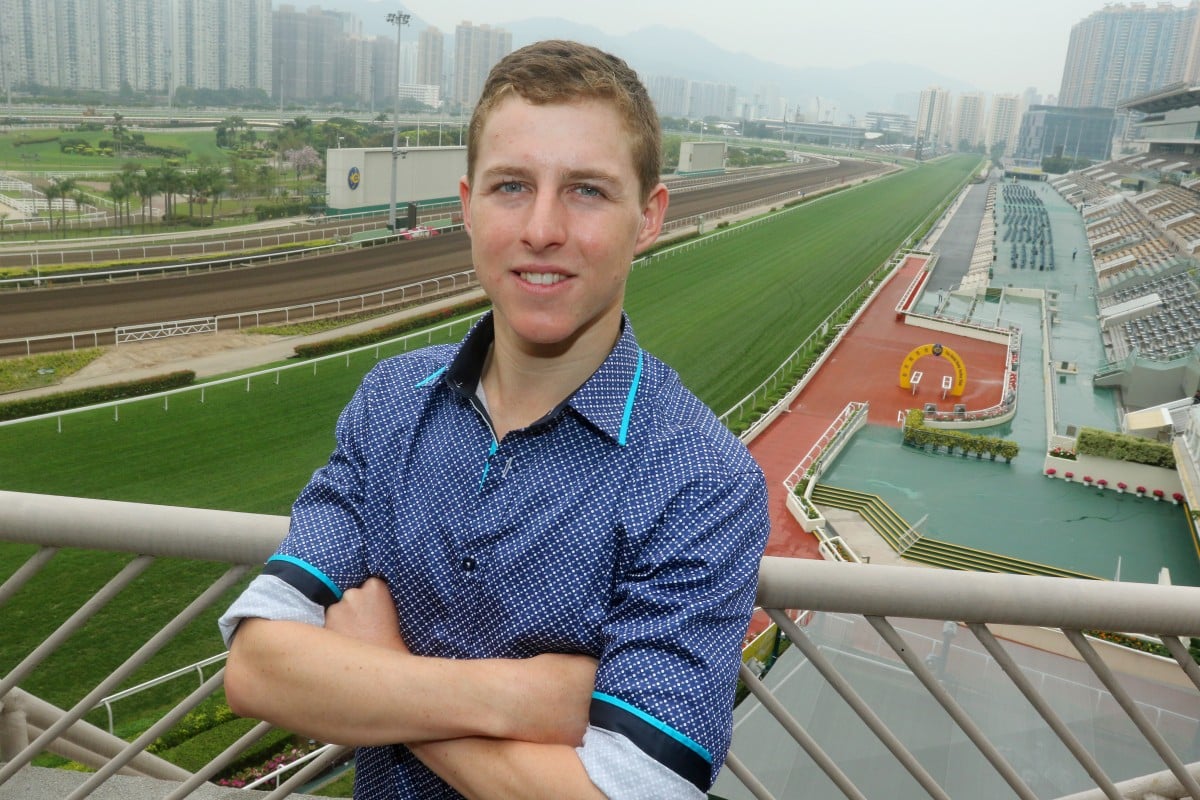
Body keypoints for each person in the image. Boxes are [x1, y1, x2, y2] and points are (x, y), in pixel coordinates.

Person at [220, 40, 770, 800]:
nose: (542, 228)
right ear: (466, 206)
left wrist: (382, 671)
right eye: (511, 186)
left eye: (586, 191)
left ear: (649, 218)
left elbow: (635, 793)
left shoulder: (703, 482)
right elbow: (256, 668)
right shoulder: (390, 401)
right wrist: (526, 699)